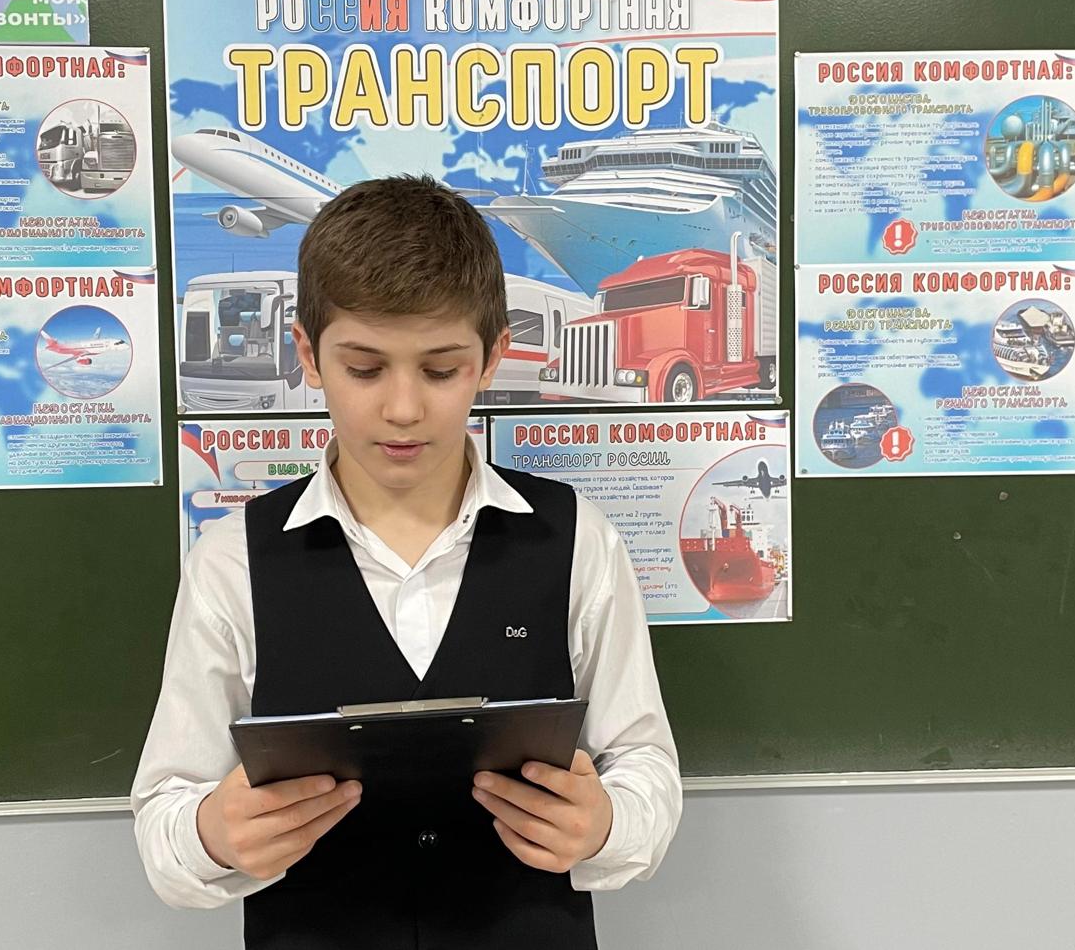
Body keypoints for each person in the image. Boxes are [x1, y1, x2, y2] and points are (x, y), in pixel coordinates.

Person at [132, 175, 681, 949]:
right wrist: (212, 834)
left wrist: (608, 823)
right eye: (364, 369)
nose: (401, 409)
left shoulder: (576, 539)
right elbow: (165, 816)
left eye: (440, 369)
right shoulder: (232, 563)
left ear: (492, 357)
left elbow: (646, 763)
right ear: (307, 354)